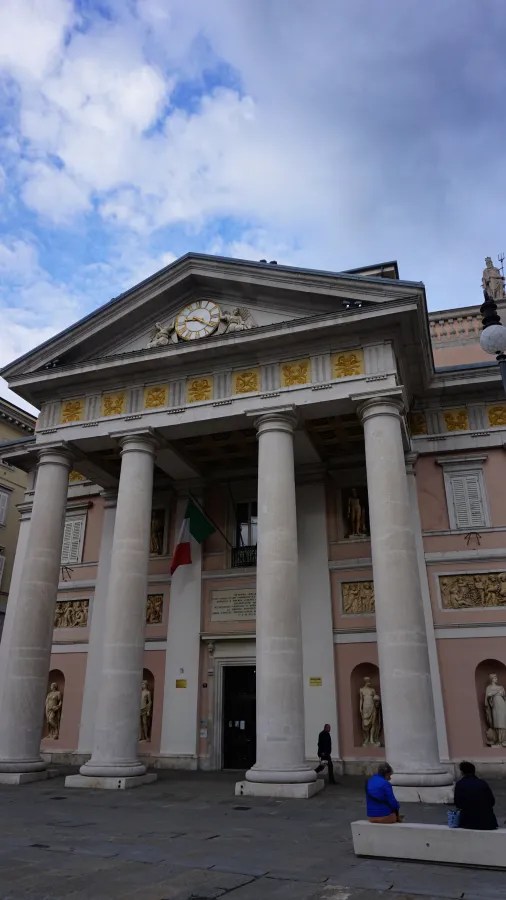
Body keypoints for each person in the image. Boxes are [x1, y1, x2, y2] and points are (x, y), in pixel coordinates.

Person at [454, 761, 497, 830]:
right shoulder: (482, 783)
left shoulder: (460, 784)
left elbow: (458, 804)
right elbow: (492, 801)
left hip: (469, 823)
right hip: (488, 822)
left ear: (462, 772)